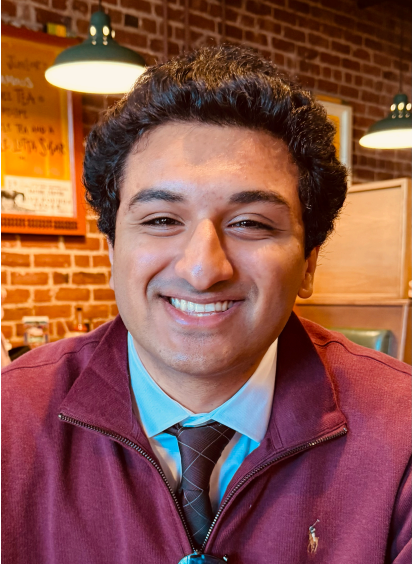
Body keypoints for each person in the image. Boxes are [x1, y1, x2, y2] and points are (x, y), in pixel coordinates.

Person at [2, 46, 410, 564]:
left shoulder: (400, 433)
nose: (202, 269)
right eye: (161, 220)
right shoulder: (11, 420)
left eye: (250, 223)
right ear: (112, 251)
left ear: (309, 262)